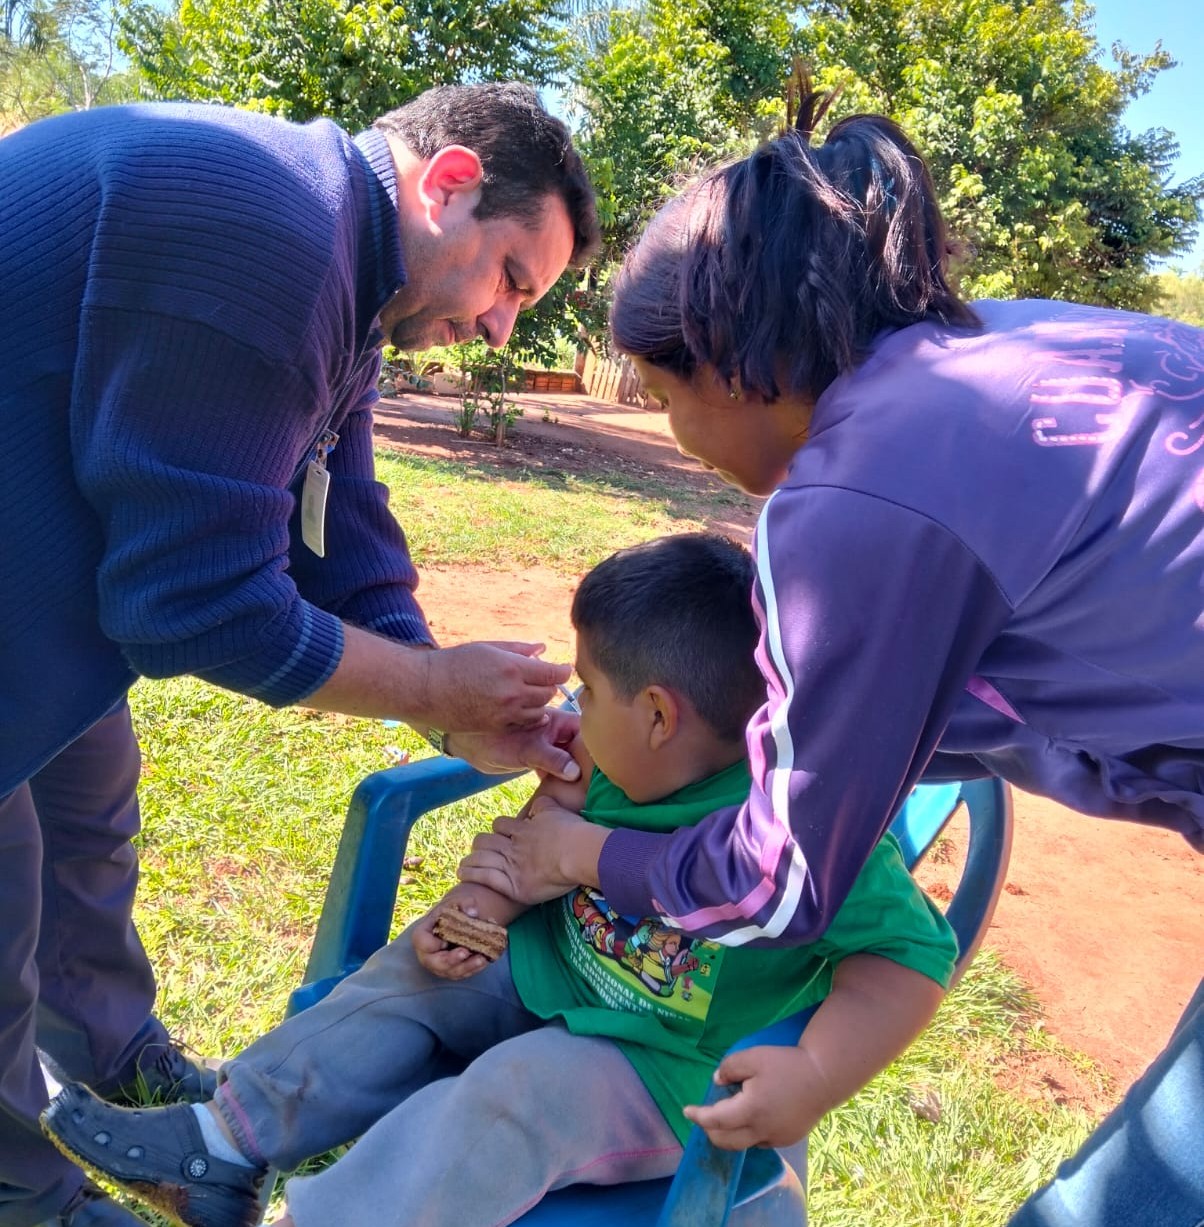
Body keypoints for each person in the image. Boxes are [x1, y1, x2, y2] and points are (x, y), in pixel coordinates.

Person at [456, 84, 1204, 1225]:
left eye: (661, 396)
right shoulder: (986, 352)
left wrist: (582, 854)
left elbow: (778, 885)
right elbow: (915, 699)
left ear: (732, 367)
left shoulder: (857, 497)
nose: (674, 436)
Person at [0, 82, 599, 1227]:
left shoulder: (343, 262)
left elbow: (339, 521)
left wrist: (446, 707)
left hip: (29, 580)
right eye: (512, 280)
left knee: (87, 803)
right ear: (450, 183)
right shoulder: (265, 221)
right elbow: (194, 604)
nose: (500, 327)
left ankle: (117, 1062)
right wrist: (427, 686)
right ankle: (21, 1192)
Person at [41, 533, 958, 1227]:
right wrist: (480, 905)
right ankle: (222, 1143)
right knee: (413, 975)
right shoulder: (619, 758)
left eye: (587, 692)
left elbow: (911, 954)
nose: (568, 711)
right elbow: (535, 841)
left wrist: (813, 1073)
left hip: (662, 1062)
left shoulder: (802, 825)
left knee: (517, 1089)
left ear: (657, 714)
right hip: (552, 966)